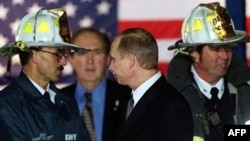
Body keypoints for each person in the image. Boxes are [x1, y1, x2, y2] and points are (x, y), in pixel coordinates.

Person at [0, 8, 90, 141]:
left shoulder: (68, 102)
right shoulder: (6, 106)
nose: (64, 62)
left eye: (64, 54)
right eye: (57, 54)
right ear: (34, 55)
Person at [167, 2, 250, 141]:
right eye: (216, 48)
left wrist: (233, 134)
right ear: (194, 53)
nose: (225, 56)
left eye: (228, 47)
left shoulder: (246, 94)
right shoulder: (172, 99)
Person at [108, 27, 193, 141]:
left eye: (114, 60)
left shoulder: (172, 106)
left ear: (130, 60)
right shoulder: (126, 99)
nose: (110, 67)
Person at [61, 27, 131, 141]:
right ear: (71, 59)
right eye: (82, 52)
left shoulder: (128, 98)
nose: (90, 61)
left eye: (97, 52)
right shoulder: (55, 101)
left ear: (108, 59)